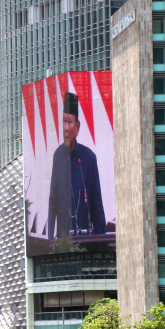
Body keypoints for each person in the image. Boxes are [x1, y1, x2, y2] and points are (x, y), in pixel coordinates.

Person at [47, 92, 106, 241]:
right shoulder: (58, 156)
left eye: (70, 122)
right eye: (64, 122)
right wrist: (49, 239)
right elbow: (52, 200)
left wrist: (103, 240)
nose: (66, 128)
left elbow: (96, 203)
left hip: (85, 240)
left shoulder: (89, 158)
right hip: (63, 241)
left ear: (77, 126)